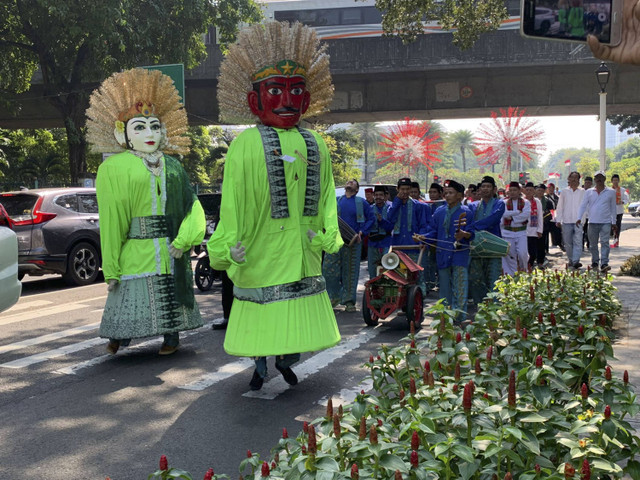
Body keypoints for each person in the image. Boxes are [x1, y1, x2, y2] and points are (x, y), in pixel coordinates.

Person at [208, 21, 342, 390]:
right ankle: (260, 365)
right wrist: (228, 245)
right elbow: (233, 201)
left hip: (301, 247)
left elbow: (327, 195)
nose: (286, 100)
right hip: (260, 248)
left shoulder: (315, 143)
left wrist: (326, 233)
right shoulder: (245, 144)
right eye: (274, 91)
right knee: (263, 313)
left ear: (307, 100)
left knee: (295, 314)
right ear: (254, 101)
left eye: (296, 91)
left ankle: (286, 360)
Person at [86, 68, 206, 356]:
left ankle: (171, 337)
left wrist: (184, 239)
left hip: (170, 247)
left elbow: (192, 205)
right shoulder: (114, 168)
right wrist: (111, 267)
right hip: (135, 247)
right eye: (139, 127)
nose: (149, 133)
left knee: (169, 293)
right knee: (127, 294)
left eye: (155, 126)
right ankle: (120, 337)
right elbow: (113, 220)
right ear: (121, 132)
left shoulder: (174, 167)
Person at [418, 179, 474, 323]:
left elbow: (472, 233)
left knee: (460, 285)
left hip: (459, 254)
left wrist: (464, 235)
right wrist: (423, 238)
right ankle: (445, 315)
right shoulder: (439, 211)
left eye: (451, 193)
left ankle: (459, 316)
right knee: (444, 286)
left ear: (460, 196)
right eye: (446, 193)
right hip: (442, 254)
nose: (447, 196)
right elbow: (433, 231)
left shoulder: (466, 212)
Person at [323, 179, 375, 311]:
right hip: (336, 240)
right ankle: (333, 296)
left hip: (353, 241)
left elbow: (371, 219)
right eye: (348, 181)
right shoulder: (336, 200)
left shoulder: (361, 202)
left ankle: (349, 301)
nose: (349, 182)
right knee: (328, 269)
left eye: (353, 182)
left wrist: (362, 232)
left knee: (350, 271)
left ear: (357, 189)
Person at [388, 177, 430, 295]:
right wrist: (396, 202)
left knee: (417, 277)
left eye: (407, 189)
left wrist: (421, 238)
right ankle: (404, 305)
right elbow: (389, 220)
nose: (405, 192)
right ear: (397, 189)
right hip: (398, 247)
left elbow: (424, 225)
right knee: (400, 277)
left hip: (415, 248)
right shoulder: (393, 206)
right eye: (402, 189)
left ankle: (417, 305)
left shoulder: (420, 206)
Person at [468, 175, 505, 305]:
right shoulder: (473, 206)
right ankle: (481, 305)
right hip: (477, 246)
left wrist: (473, 226)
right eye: (483, 186)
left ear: (494, 189)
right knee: (476, 277)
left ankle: (494, 306)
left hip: (494, 245)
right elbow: (468, 220)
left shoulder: (499, 203)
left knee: (494, 277)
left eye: (488, 186)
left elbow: (493, 219)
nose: (485, 189)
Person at [577, 171, 617, 272]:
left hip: (605, 222)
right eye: (597, 178)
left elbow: (613, 208)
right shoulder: (589, 192)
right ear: (594, 179)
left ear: (604, 179)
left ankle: (604, 263)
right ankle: (595, 261)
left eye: (601, 177)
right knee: (592, 244)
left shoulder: (611, 192)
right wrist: (579, 217)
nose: (599, 179)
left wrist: (614, 222)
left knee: (605, 242)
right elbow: (583, 205)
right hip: (592, 221)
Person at [555, 171, 586, 269]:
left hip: (578, 221)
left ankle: (576, 260)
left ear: (579, 180)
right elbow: (560, 206)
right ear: (568, 179)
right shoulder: (564, 191)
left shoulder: (582, 191)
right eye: (571, 178)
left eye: (576, 178)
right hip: (567, 220)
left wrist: (583, 220)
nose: (573, 180)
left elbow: (585, 206)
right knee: (568, 243)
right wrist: (558, 219)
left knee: (578, 241)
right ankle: (571, 260)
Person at [500, 181, 531, 275]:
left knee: (523, 254)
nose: (512, 192)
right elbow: (504, 214)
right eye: (511, 190)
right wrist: (517, 212)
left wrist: (512, 217)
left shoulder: (525, 202)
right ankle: (512, 275)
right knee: (510, 255)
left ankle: (523, 271)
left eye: (515, 190)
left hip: (521, 232)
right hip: (507, 232)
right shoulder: (504, 202)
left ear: (519, 191)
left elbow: (525, 215)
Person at [367, 185, 394, 279]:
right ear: (374, 195)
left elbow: (391, 227)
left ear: (385, 196)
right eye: (376, 194)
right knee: (372, 269)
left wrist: (381, 221)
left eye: (381, 195)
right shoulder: (369, 209)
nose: (378, 197)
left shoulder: (390, 209)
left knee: (387, 268)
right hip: (372, 243)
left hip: (385, 242)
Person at [524, 182, 544, 269]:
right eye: (527, 190)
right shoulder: (521, 201)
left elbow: (540, 216)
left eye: (531, 190)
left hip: (533, 230)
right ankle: (525, 267)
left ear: (534, 191)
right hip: (523, 230)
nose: (528, 192)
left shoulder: (537, 202)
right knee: (524, 252)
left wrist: (540, 230)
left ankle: (530, 266)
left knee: (533, 253)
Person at [535, 183, 553, 267]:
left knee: (542, 243)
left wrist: (544, 217)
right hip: (533, 225)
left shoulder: (547, 201)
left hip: (544, 225)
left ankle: (540, 260)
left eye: (542, 191)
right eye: (538, 190)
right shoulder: (532, 200)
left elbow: (552, 213)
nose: (540, 192)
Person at [611, 174, 629, 247]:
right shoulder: (609, 190)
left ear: (618, 181)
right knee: (610, 226)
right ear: (611, 181)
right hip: (611, 211)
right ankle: (613, 237)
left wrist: (622, 202)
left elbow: (626, 199)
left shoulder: (622, 190)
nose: (615, 182)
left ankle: (616, 240)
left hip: (619, 211)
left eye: (616, 180)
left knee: (618, 226)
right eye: (614, 180)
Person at [546, 182, 563, 250]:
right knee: (546, 233)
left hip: (555, 216)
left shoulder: (557, 197)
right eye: (549, 188)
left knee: (557, 231)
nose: (550, 190)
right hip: (548, 217)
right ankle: (546, 248)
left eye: (552, 188)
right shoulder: (545, 197)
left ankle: (559, 243)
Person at [582, 176, 593, 251]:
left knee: (590, 232)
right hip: (582, 215)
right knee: (582, 231)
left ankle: (589, 244)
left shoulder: (594, 192)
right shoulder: (581, 192)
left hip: (591, 215)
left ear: (591, 184)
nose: (587, 184)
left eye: (589, 183)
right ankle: (581, 245)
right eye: (586, 182)